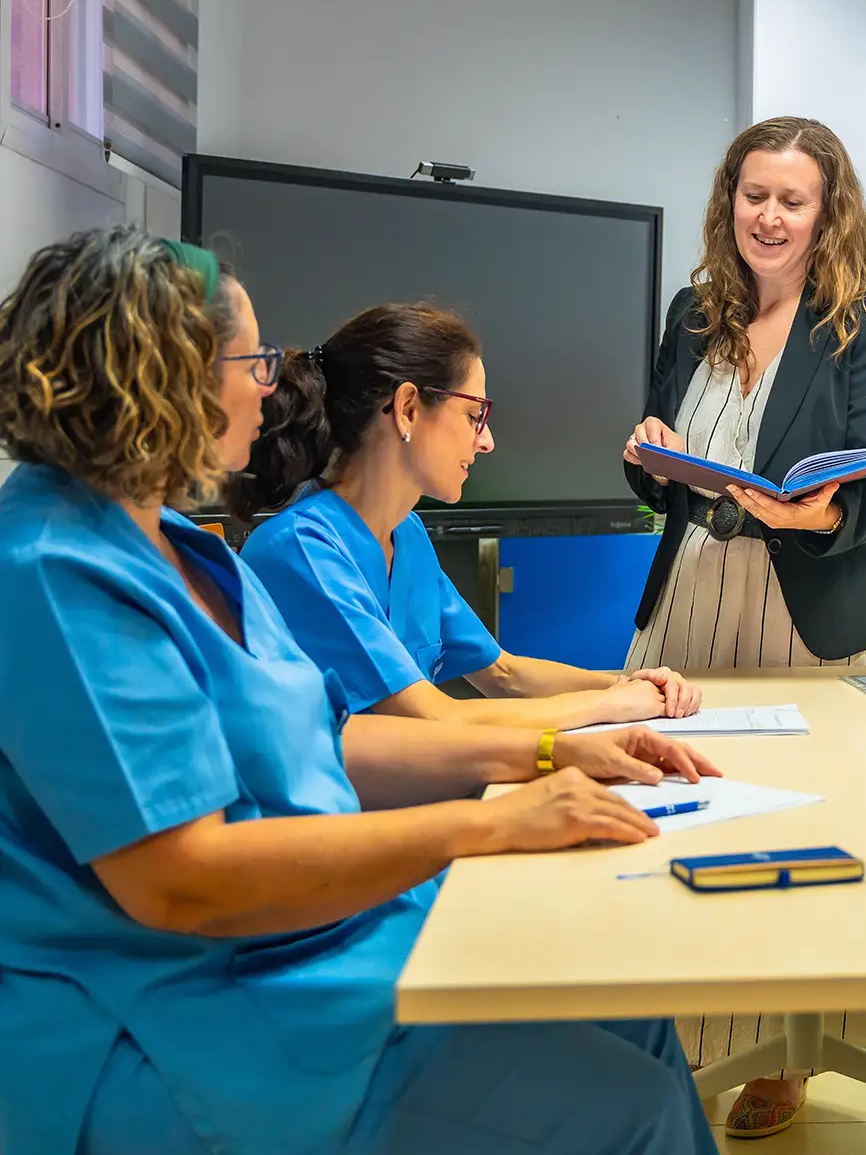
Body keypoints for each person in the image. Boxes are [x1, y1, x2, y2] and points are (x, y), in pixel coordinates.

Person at [0, 228, 720, 1154]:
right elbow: (180, 882)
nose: (272, 382)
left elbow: (333, 739)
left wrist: (552, 752)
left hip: (310, 938)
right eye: (250, 360)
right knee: (632, 1108)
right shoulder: (53, 569)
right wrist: (488, 822)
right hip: (183, 1013)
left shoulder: (181, 544)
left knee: (639, 1021)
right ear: (162, 377)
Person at [618, 115, 866, 1134]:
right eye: (754, 195)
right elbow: (659, 456)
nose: (770, 216)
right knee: (681, 816)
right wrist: (647, 449)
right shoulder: (690, 312)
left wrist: (823, 510)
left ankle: (788, 1054)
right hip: (694, 592)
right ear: (729, 202)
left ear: (827, 212)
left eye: (793, 199)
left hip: (808, 607)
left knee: (800, 833)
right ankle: (684, 1041)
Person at [234, 302, 701, 726]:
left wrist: (631, 683)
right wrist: (613, 706)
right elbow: (434, 720)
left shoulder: (407, 534)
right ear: (408, 409)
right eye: (473, 415)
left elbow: (503, 672)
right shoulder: (301, 549)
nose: (487, 440)